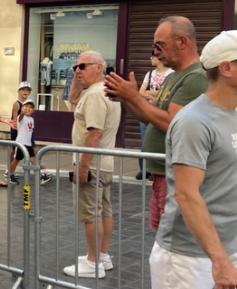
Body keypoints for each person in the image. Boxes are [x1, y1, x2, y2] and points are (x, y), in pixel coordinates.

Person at [149, 31, 237, 289]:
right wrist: (220, 262)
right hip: (189, 259)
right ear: (227, 68)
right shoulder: (194, 121)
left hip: (226, 247)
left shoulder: (232, 114)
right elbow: (187, 195)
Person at [104, 16, 208, 231]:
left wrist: (133, 97)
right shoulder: (173, 77)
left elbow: (172, 123)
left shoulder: (196, 76)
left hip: (177, 176)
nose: (156, 52)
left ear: (181, 42)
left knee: (172, 238)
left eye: (160, 45)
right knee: (162, 235)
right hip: (164, 173)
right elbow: (148, 117)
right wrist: (126, 98)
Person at [61, 51, 121, 278]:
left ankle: (93, 262)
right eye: (75, 67)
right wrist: (75, 75)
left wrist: (82, 167)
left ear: (98, 67)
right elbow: (73, 99)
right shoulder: (100, 91)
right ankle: (102, 256)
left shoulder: (96, 94)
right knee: (103, 210)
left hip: (93, 164)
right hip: (103, 162)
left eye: (83, 66)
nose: (77, 70)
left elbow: (94, 133)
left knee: (90, 214)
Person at [136, 54, 174, 180]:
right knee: (145, 140)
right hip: (148, 109)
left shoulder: (171, 73)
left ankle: (155, 170)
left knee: (159, 139)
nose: (151, 59)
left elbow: (168, 91)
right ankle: (144, 169)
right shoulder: (150, 74)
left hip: (161, 110)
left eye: (153, 56)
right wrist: (158, 96)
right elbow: (141, 92)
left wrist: (151, 94)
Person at [8, 99, 37, 182]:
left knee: (33, 159)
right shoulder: (21, 118)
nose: (28, 109)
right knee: (16, 159)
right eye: (26, 106)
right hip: (21, 143)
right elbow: (19, 118)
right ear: (22, 108)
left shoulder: (32, 119)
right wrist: (22, 113)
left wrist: (32, 144)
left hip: (28, 143)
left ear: (33, 110)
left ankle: (39, 174)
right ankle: (10, 174)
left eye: (30, 107)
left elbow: (30, 132)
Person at [7, 82, 32, 179]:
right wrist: (16, 129)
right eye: (23, 90)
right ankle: (8, 169)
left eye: (27, 90)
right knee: (14, 150)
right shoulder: (16, 104)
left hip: (24, 130)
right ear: (19, 91)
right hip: (16, 129)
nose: (25, 92)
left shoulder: (29, 104)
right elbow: (15, 119)